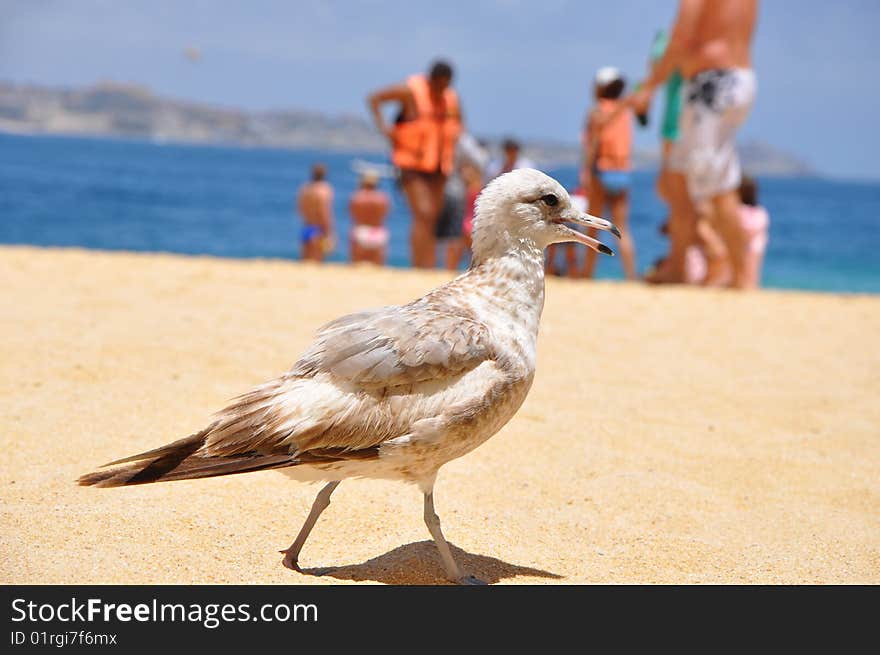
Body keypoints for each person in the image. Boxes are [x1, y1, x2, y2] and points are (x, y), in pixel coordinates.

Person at [630, 0, 759, 289]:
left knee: (719, 188)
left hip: (713, 85)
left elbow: (682, 37)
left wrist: (650, 87)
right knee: (677, 178)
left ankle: (741, 277)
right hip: (726, 82)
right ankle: (678, 268)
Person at [367, 60, 463, 268]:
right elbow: (374, 98)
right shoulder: (410, 91)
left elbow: (459, 126)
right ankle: (419, 265)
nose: (441, 89)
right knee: (423, 213)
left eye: (445, 85)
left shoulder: (451, 99)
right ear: (431, 79)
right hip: (411, 165)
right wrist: (385, 130)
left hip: (439, 166)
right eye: (438, 85)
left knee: (433, 217)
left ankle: (427, 266)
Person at [582, 66, 637, 280]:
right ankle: (632, 276)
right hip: (622, 171)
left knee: (593, 226)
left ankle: (587, 273)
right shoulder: (625, 112)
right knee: (622, 227)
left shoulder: (597, 111)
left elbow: (592, 144)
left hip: (601, 169)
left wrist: (586, 171)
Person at [349, 169, 391, 266]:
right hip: (377, 232)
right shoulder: (382, 198)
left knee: (356, 267)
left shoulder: (357, 197)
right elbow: (385, 215)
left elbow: (353, 215)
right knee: (378, 267)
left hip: (361, 231)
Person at [296, 163, 335, 262]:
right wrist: (329, 231)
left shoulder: (305, 189)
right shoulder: (324, 189)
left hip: (307, 226)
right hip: (319, 229)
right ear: (324, 174)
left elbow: (300, 209)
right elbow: (324, 212)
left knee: (305, 260)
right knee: (317, 261)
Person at [737, 174, 769, 288]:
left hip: (745, 245)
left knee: (744, 270)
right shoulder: (760, 212)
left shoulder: (738, 211)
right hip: (756, 246)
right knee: (753, 271)